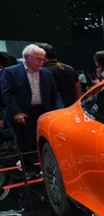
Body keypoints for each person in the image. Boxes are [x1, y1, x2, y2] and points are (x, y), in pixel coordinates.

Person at [0, 44, 63, 175]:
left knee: (43, 139)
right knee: (23, 141)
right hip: (21, 112)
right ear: (27, 58)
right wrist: (17, 112)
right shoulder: (10, 72)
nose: (42, 62)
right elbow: (6, 94)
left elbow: (55, 94)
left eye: (43, 59)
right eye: (38, 59)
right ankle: (28, 169)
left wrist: (60, 110)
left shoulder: (47, 73)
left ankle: (46, 164)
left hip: (42, 110)